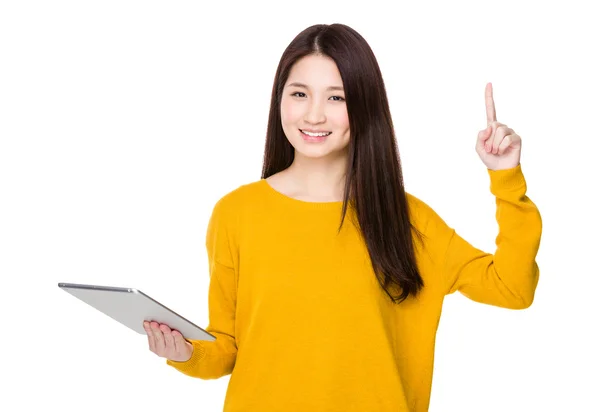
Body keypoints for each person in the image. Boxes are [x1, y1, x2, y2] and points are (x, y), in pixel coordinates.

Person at [142, 23, 542, 412]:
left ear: (366, 106)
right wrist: (186, 352)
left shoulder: (407, 220)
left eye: (337, 98)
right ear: (279, 99)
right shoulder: (236, 213)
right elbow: (225, 349)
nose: (314, 116)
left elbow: (512, 288)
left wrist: (505, 178)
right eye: (300, 93)